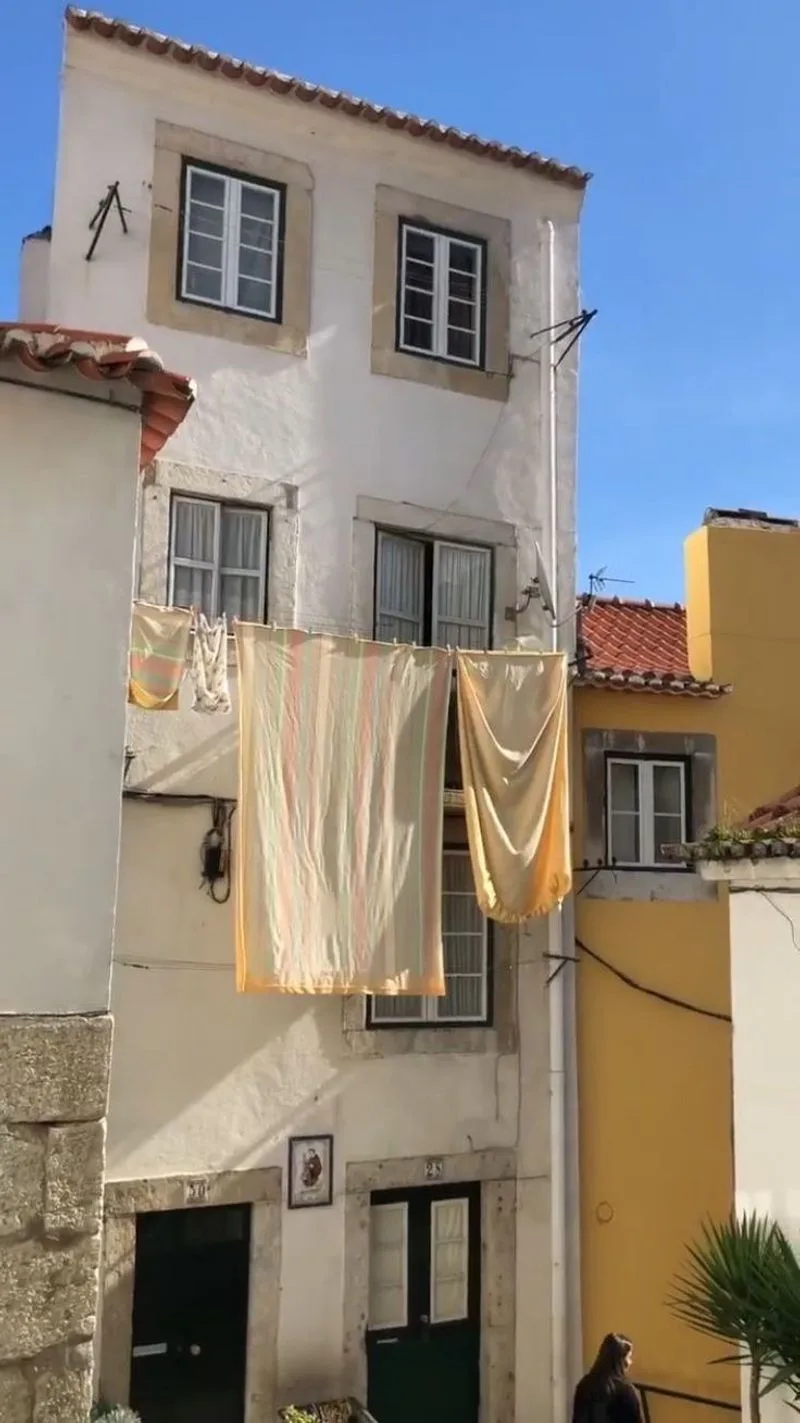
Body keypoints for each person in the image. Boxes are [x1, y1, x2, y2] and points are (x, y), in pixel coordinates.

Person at [571, 1333, 644, 1423]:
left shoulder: (584, 1385)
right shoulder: (626, 1391)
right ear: (620, 1360)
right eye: (628, 1357)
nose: (630, 1362)